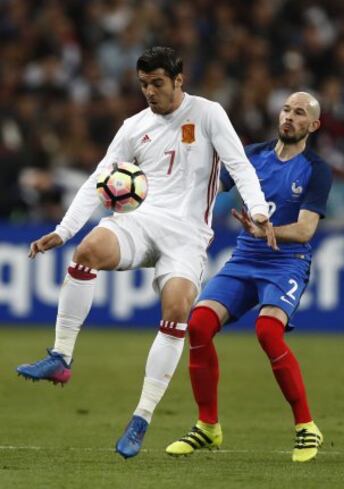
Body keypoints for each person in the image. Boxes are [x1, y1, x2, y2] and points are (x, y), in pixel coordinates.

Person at [16, 47, 276, 459]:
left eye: (157, 83)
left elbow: (240, 165)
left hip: (188, 234)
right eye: (143, 85)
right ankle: (61, 356)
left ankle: (141, 417)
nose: (149, 92)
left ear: (178, 80)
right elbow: (97, 180)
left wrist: (259, 211)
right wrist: (64, 230)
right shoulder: (134, 127)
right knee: (88, 249)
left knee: (176, 311)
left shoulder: (208, 114)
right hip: (141, 220)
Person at [166, 92, 333, 463]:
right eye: (287, 109)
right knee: (198, 325)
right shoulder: (251, 156)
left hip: (287, 262)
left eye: (300, 113)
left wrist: (267, 230)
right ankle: (208, 427)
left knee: (267, 331)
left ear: (313, 125)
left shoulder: (316, 169)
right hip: (244, 258)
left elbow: (306, 231)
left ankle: (306, 426)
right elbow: (208, 189)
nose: (289, 117)